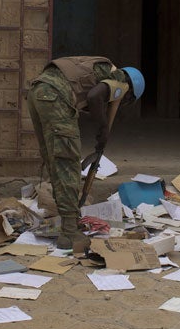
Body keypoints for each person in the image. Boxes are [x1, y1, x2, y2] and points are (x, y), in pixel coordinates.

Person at [27, 57, 145, 253]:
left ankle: (69, 221)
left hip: (37, 91)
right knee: (67, 165)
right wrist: (103, 128)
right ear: (130, 93)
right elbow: (94, 97)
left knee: (55, 160)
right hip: (56, 95)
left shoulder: (102, 69)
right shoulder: (120, 81)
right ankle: (69, 232)